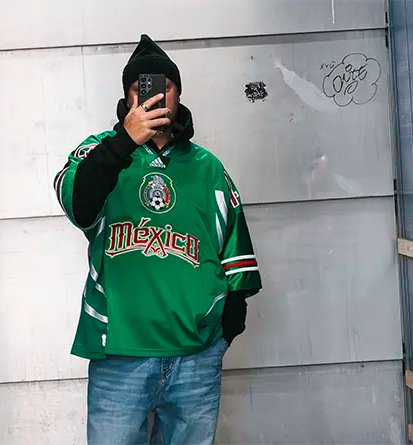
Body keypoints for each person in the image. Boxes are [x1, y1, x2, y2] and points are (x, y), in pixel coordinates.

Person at [53, 34, 262, 445]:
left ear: (178, 92)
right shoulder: (98, 152)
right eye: (141, 85)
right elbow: (78, 203)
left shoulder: (207, 168)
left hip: (196, 357)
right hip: (120, 355)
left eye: (164, 83)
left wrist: (223, 331)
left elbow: (235, 253)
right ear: (128, 94)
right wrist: (124, 143)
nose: (153, 92)